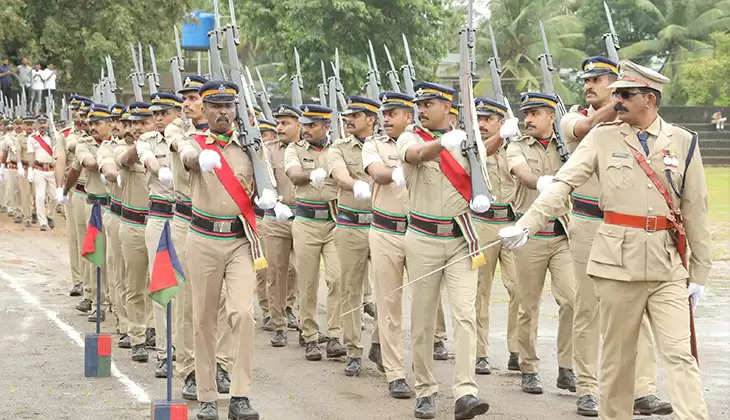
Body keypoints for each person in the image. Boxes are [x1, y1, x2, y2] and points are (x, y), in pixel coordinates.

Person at [499, 60, 711, 420]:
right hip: (616, 265)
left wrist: (701, 273)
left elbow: (697, 210)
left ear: (650, 98)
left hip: (666, 265)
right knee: (616, 360)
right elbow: (564, 183)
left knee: (679, 354)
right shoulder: (602, 137)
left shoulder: (684, 142)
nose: (618, 101)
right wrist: (529, 223)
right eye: (616, 94)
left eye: (626, 94)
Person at [561, 56, 671, 417]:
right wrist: (621, 100)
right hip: (590, 223)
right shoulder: (572, 116)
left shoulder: (633, 125)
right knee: (588, 307)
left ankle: (642, 390)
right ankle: (588, 387)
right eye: (588, 80)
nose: (591, 85)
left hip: (632, 228)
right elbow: (585, 127)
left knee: (636, 308)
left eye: (600, 79)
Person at [396, 81, 489, 419]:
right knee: (422, 319)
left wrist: (496, 140)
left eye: (429, 103)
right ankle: (425, 389)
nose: (421, 109)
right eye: (419, 104)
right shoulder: (411, 137)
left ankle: (465, 391)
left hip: (461, 237)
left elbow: (481, 166)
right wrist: (442, 144)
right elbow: (416, 155)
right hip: (422, 238)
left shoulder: (467, 140)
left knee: (465, 315)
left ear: (447, 107)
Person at [178, 80, 265, 420]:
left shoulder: (249, 148)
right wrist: (201, 159)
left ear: (236, 110)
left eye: (228, 106)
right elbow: (185, 156)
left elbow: (261, 186)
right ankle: (208, 395)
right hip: (202, 240)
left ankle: (240, 394)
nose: (223, 112)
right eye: (215, 106)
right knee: (204, 319)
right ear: (205, 109)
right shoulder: (195, 142)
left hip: (240, 240)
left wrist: (270, 201)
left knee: (243, 313)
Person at [169, 74, 236, 401]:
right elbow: (184, 151)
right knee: (190, 301)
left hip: (225, 223)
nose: (187, 102)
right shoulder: (178, 130)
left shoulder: (229, 134)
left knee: (224, 300)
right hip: (187, 220)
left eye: (194, 97)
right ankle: (191, 368)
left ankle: (221, 363)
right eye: (186, 97)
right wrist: (199, 156)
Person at [505, 92, 576, 395]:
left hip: (562, 233)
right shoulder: (516, 145)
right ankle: (529, 367)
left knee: (572, 300)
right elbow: (521, 173)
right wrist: (541, 182)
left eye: (535, 113)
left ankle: (567, 367)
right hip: (530, 235)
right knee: (527, 305)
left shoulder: (567, 146)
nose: (528, 119)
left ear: (551, 116)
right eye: (526, 113)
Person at [362, 91, 415, 398]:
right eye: (385, 113)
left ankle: (380, 344)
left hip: (419, 232)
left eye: (393, 113)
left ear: (409, 116)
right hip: (385, 231)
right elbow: (377, 173)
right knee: (389, 302)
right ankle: (395, 372)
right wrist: (399, 171)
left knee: (422, 303)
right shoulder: (374, 144)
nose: (386, 118)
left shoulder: (421, 143)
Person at [284, 104, 345, 361]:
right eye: (305, 124)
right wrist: (312, 175)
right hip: (306, 221)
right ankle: (309, 335)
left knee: (337, 277)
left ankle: (334, 335)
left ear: (326, 126)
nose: (306, 129)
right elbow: (294, 175)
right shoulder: (294, 149)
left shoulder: (337, 149)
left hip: (334, 221)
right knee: (307, 281)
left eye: (312, 125)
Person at [329, 95, 381, 376]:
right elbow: (338, 174)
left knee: (387, 290)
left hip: (383, 225)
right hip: (350, 225)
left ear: (371, 119)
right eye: (347, 115)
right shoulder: (339, 146)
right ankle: (352, 349)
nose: (348, 120)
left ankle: (380, 343)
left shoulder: (387, 146)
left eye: (355, 115)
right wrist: (355, 184)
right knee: (351, 289)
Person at [470, 97, 521, 375]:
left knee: (519, 289)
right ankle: (480, 353)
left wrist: (511, 138)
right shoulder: (473, 147)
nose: (481, 124)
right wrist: (500, 137)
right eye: (479, 118)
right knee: (480, 291)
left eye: (488, 119)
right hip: (482, 226)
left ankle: (516, 349)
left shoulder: (516, 147)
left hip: (511, 225)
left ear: (501, 121)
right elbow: (479, 155)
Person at [137, 92, 184, 378]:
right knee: (163, 284)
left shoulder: (189, 135)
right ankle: (166, 352)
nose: (157, 118)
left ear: (177, 113)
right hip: (160, 217)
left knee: (188, 287)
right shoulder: (148, 140)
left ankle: (188, 348)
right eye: (154, 114)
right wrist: (163, 171)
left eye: (164, 113)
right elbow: (149, 161)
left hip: (187, 218)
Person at [115, 101, 154, 363]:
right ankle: (137, 335)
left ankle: (155, 332)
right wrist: (140, 146)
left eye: (144, 122)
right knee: (135, 283)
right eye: (134, 123)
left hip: (161, 224)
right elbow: (124, 160)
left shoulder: (166, 149)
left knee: (161, 283)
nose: (138, 127)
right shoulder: (125, 150)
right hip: (133, 225)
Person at [262, 106, 300, 347]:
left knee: (301, 271)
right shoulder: (268, 151)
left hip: (304, 217)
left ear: (299, 125)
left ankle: (296, 313)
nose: (279, 128)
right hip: (276, 217)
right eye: (278, 123)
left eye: (285, 123)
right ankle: (278, 323)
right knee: (276, 271)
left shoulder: (304, 149)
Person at [26, 115, 57, 231]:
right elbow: (30, 155)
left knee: (54, 197)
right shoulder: (32, 138)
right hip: (39, 170)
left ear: (47, 124)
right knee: (40, 197)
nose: (42, 125)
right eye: (40, 123)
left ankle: (49, 215)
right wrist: (30, 169)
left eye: (44, 123)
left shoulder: (53, 137)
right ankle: (42, 222)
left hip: (51, 170)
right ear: (37, 124)